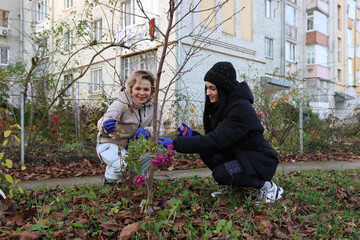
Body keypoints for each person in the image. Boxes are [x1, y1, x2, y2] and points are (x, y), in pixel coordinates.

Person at [159, 62, 284, 204]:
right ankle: (235, 186)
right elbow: (218, 138)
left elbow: (216, 140)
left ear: (223, 88)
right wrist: (192, 135)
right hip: (241, 155)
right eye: (207, 87)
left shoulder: (240, 108)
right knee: (207, 152)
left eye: (212, 88)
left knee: (221, 174)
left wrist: (175, 144)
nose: (208, 93)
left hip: (258, 160)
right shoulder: (223, 105)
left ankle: (269, 187)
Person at [97, 70, 163, 185]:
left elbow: (160, 129)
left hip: (133, 146)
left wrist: (148, 131)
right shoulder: (121, 103)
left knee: (156, 149)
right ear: (131, 89)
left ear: (151, 91)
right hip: (110, 144)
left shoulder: (154, 106)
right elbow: (105, 119)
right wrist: (105, 125)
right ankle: (110, 179)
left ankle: (137, 181)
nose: (142, 93)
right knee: (124, 165)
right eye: (138, 89)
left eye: (146, 89)